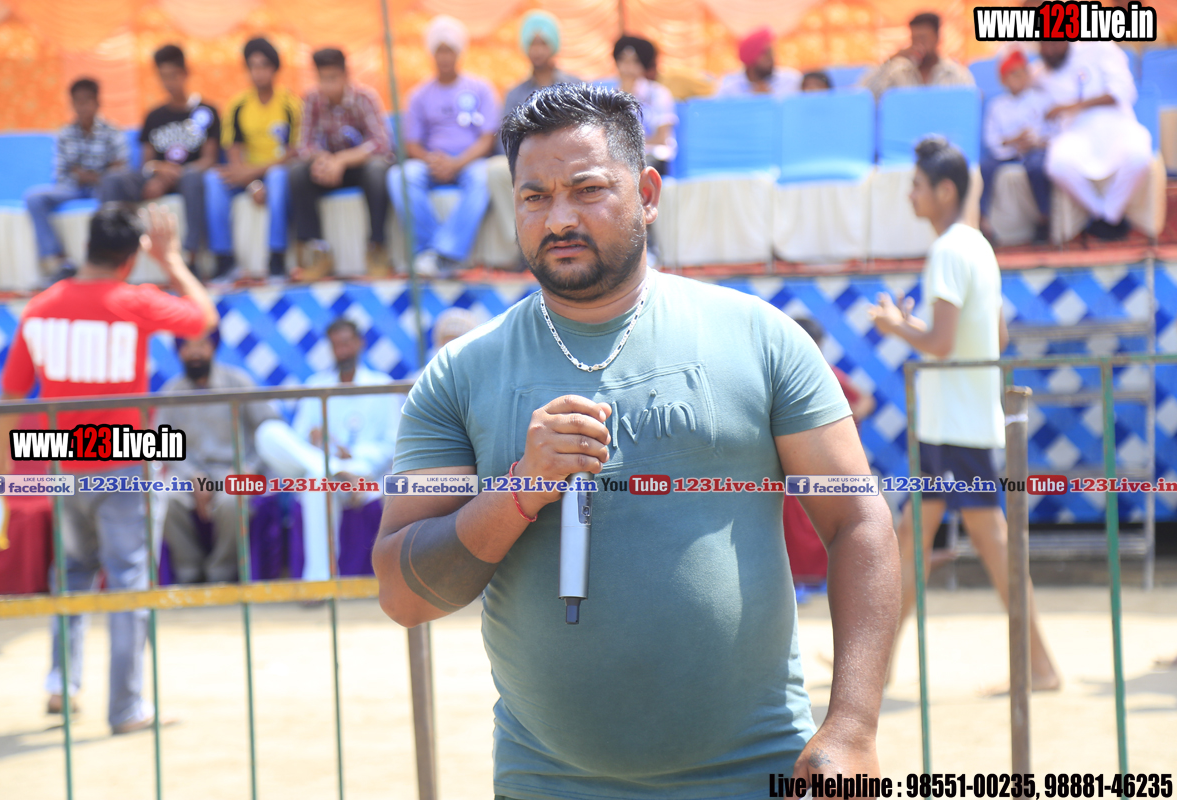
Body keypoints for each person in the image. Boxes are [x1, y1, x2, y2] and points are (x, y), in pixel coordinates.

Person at [373, 83, 901, 798]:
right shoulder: (460, 375)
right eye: (534, 197)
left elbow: (858, 519)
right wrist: (520, 490)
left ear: (648, 194)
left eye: (587, 189)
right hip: (548, 781)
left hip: (755, 770)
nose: (559, 218)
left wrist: (853, 726)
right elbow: (403, 593)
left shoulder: (759, 338)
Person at [0, 204, 219, 733]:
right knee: (129, 580)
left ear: (85, 245)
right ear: (131, 257)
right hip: (124, 457)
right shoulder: (134, 300)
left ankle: (61, 684)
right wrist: (173, 261)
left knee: (71, 574)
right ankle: (127, 707)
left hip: (60, 456)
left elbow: (12, 391)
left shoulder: (40, 308)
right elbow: (204, 317)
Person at [866, 137, 1061, 693]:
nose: (910, 195)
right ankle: (875, 668)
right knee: (913, 539)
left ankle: (1040, 666)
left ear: (944, 191)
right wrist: (917, 329)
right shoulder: (977, 246)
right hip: (960, 420)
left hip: (953, 424)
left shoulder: (948, 251)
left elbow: (942, 343)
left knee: (987, 541)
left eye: (917, 186)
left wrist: (896, 327)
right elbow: (995, 336)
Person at [255, 318, 402, 582]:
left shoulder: (382, 385)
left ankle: (318, 582)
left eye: (346, 343)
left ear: (359, 344)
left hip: (365, 477)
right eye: (336, 346)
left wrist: (355, 458)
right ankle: (335, 471)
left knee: (316, 477)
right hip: (326, 468)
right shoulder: (317, 385)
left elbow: (393, 443)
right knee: (269, 433)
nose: (342, 351)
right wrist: (315, 441)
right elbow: (297, 440)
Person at [156, 331, 279, 583]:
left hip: (235, 470)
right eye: (188, 346)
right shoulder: (171, 392)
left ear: (213, 347)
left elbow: (269, 429)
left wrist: (248, 467)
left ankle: (220, 574)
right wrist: (193, 475)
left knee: (232, 501)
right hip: (191, 475)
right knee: (165, 498)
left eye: (202, 345)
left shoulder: (237, 382)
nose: (195, 352)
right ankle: (189, 574)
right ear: (179, 352)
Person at [388, 16, 500, 278]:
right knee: (400, 175)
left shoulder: (481, 89)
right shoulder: (419, 95)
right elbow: (411, 143)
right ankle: (429, 252)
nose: (445, 57)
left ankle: (446, 252)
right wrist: (433, 161)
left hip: (470, 161)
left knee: (483, 176)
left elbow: (487, 139)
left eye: (450, 50)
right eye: (440, 51)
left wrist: (457, 162)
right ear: (432, 54)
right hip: (432, 161)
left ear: (459, 53)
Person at [101, 45, 220, 265]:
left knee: (193, 177)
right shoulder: (154, 116)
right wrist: (159, 172)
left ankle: (191, 256)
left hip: (187, 177)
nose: (168, 83)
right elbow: (147, 163)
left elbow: (209, 160)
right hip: (157, 174)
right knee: (112, 180)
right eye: (163, 77)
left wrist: (171, 176)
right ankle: (109, 254)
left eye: (173, 76)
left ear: (185, 73)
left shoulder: (207, 111)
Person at [289, 47, 394, 280]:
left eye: (333, 78)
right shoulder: (312, 99)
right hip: (328, 169)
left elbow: (381, 143)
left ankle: (377, 247)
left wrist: (342, 160)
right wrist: (323, 160)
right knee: (297, 173)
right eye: (322, 79)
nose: (327, 85)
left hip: (359, 167)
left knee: (377, 170)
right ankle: (317, 251)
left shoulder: (365, 98)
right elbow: (303, 145)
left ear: (346, 75)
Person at [786, 318, 876, 586]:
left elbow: (865, 401)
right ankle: (798, 581)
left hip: (822, 464)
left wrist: (841, 425)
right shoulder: (781, 375)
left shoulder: (827, 373)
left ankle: (823, 579)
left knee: (827, 520)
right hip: (792, 465)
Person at [205, 37, 302, 281]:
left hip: (277, 172)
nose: (258, 72)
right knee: (213, 180)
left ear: (275, 69)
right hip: (248, 177)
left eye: (264, 65)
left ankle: (276, 257)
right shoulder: (238, 105)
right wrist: (251, 183)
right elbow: (234, 153)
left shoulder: (291, 104)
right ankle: (224, 260)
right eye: (253, 66)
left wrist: (256, 173)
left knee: (278, 177)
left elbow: (294, 154)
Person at [1035, 40, 1152, 241]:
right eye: (1043, 45)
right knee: (1057, 165)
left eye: (1054, 44)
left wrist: (1073, 106)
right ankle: (1101, 214)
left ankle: (1111, 214)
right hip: (1075, 133)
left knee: (1139, 156)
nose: (1049, 50)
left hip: (1117, 126)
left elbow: (1123, 92)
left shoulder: (1100, 48)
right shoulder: (1040, 73)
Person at [488, 11, 582, 249]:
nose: (537, 50)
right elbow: (504, 140)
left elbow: (585, 131)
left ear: (554, 46)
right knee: (496, 169)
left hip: (568, 159)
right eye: (532, 44)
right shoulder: (515, 93)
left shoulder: (574, 86)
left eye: (543, 43)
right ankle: (523, 245)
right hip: (527, 162)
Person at [24, 78, 128, 278]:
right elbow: (61, 173)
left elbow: (120, 171)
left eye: (87, 100)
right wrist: (93, 175)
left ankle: (107, 259)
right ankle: (59, 260)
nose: (82, 106)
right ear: (72, 104)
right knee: (34, 198)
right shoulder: (65, 134)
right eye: (77, 101)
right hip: (72, 188)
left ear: (97, 102)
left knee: (114, 194)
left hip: (102, 189)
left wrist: (89, 176)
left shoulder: (113, 132)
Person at [979, 48, 1050, 242]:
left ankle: (1044, 218)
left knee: (1038, 167)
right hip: (1007, 152)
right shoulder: (997, 105)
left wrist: (1035, 142)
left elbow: (1051, 132)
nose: (1020, 78)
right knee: (985, 167)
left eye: (1023, 72)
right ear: (1003, 80)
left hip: (1034, 151)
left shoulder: (1041, 100)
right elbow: (991, 139)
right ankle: (983, 220)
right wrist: (1013, 140)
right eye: (1014, 74)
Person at [605, 35, 677, 175]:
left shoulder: (658, 93)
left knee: (632, 171)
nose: (628, 67)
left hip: (651, 156)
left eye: (635, 61)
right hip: (617, 157)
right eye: (623, 60)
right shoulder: (608, 95)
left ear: (644, 65)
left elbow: (662, 138)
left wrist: (627, 146)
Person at [861, 13, 974, 98]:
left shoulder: (956, 74)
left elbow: (969, 106)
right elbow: (865, 95)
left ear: (937, 38)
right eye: (913, 39)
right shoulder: (897, 73)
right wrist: (892, 59)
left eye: (923, 38)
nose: (918, 44)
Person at [717, 26, 802, 99]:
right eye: (765, 53)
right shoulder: (729, 87)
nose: (771, 58)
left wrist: (770, 99)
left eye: (772, 53)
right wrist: (753, 100)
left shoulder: (791, 81)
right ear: (750, 57)